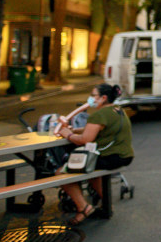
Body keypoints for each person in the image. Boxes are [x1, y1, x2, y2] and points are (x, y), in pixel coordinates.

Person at [56, 84, 134, 226]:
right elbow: (94, 130)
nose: (90, 99)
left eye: (93, 95)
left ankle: (84, 207)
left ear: (103, 98)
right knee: (94, 174)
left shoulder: (99, 114)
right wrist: (75, 131)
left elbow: (85, 140)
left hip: (110, 157)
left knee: (60, 173)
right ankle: (107, 204)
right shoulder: (117, 110)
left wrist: (68, 134)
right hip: (123, 156)